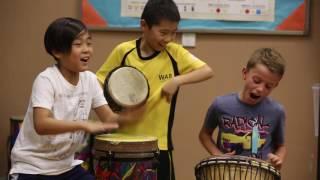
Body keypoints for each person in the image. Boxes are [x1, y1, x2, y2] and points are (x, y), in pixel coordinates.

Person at [96, 0, 214, 179]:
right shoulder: (123, 51)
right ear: (144, 25)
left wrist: (177, 80)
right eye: (163, 32)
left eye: (173, 33)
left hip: (159, 146)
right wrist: (111, 112)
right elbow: (98, 82)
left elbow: (207, 71)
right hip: (120, 143)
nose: (168, 39)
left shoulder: (174, 53)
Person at [9, 17, 139, 180]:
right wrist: (82, 125)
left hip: (65, 168)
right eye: (78, 44)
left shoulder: (90, 80)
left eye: (88, 43)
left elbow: (109, 118)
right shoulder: (46, 80)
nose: (87, 50)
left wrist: (127, 117)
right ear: (57, 52)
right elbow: (41, 124)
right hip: (32, 168)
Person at [199, 48, 287, 170]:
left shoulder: (277, 111)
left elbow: (281, 146)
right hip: (226, 173)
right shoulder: (220, 104)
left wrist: (278, 159)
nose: (261, 89)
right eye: (257, 81)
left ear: (275, 85)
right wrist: (218, 156)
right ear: (245, 73)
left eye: (268, 86)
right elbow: (204, 135)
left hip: (259, 175)